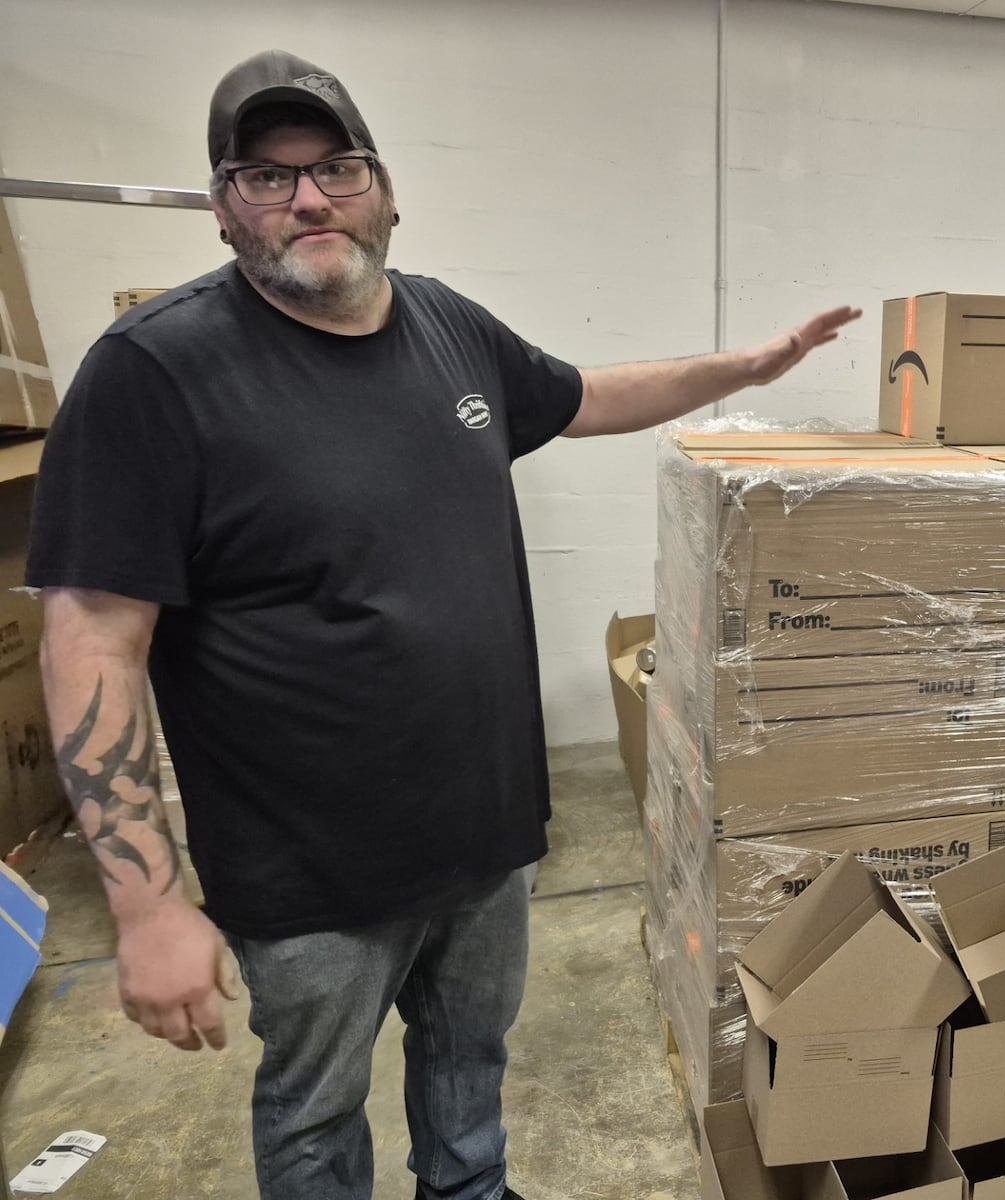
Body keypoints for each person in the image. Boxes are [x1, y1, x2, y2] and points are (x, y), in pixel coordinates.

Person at [26, 48, 859, 1200]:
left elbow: (586, 396)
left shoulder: (443, 325)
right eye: (266, 178)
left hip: (484, 827)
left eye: (337, 167)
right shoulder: (153, 374)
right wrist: (146, 899)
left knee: (471, 1058)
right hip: (309, 864)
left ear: (386, 189)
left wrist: (751, 365)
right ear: (224, 209)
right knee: (315, 1112)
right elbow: (91, 641)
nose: (310, 198)